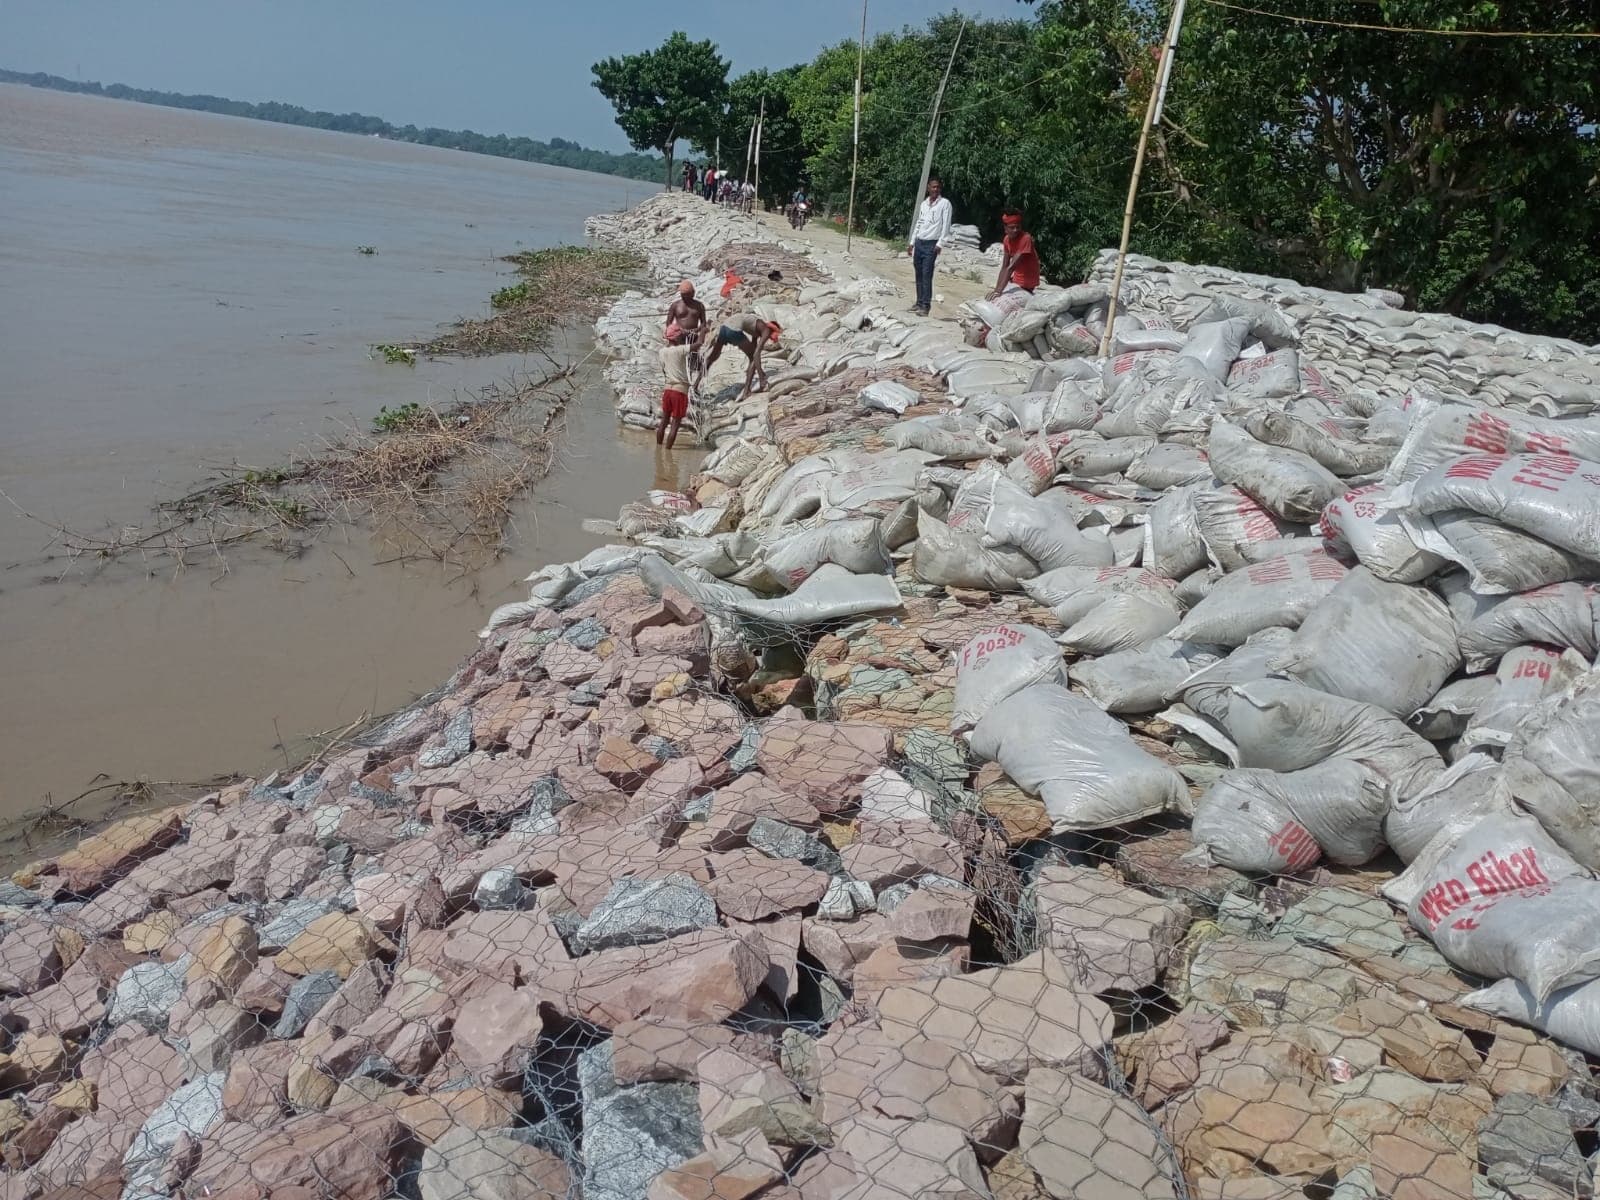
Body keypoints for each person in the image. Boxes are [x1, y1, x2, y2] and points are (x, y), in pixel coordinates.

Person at [703, 313, 781, 400]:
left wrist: (755, 369)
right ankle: (746, 392)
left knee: (713, 356)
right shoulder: (766, 330)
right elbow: (756, 354)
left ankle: (695, 385)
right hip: (733, 329)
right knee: (753, 358)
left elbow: (753, 348)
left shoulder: (758, 326)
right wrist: (761, 378)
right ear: (772, 329)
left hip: (724, 327)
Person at [906, 176, 953, 316]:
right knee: (919, 273)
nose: (935, 189)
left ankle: (926, 306)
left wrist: (940, 243)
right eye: (933, 187)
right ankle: (919, 302)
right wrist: (912, 242)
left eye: (937, 187)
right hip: (920, 242)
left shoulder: (945, 204)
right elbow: (919, 223)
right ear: (928, 188)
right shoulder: (924, 204)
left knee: (927, 274)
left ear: (940, 188)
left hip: (931, 244)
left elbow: (946, 225)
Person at [989, 206, 1041, 308]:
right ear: (1005, 228)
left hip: (1028, 284)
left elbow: (1011, 267)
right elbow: (1004, 266)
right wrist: (996, 290)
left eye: (1018, 226)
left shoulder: (1026, 238)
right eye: (1012, 227)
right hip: (1016, 281)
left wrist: (999, 291)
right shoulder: (1006, 240)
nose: (1016, 230)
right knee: (994, 300)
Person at [657, 342, 692, 449]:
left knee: (664, 421)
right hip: (679, 391)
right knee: (675, 425)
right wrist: (703, 330)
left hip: (668, 390)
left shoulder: (662, 351)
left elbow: (663, 370)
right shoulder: (679, 350)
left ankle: (658, 449)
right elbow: (698, 344)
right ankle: (667, 451)